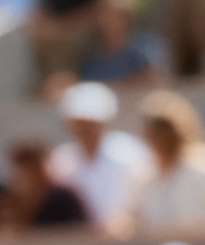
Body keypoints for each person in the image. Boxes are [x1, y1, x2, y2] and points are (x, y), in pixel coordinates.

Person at [48, 81, 155, 229]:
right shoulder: (61, 160)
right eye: (79, 123)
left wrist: (127, 221)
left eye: (91, 123)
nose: (85, 129)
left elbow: (147, 200)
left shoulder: (130, 153)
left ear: (104, 122)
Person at [126, 91, 205, 234]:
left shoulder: (203, 167)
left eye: (163, 132)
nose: (157, 140)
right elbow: (134, 216)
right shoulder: (143, 173)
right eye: (152, 133)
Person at [0, 136, 91, 228]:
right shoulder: (9, 201)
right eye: (24, 167)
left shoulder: (65, 198)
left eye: (34, 167)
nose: (30, 174)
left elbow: (80, 231)